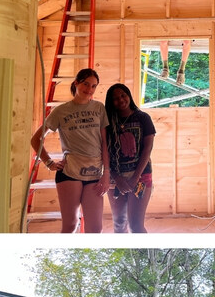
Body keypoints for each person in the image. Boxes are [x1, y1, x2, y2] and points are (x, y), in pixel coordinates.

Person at [31, 67, 110, 233]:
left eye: (93, 86)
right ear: (76, 83)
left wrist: (106, 173)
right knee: (70, 226)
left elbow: (105, 143)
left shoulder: (99, 109)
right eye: (86, 84)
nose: (89, 89)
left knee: (95, 229)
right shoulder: (60, 111)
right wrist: (49, 162)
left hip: (95, 174)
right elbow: (35, 139)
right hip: (69, 174)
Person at [105, 83, 156, 233]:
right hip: (115, 179)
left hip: (140, 177)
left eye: (123, 95)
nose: (120, 100)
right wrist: (116, 177)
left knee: (136, 226)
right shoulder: (107, 122)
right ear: (110, 102)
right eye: (115, 98)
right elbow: (104, 152)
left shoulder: (143, 118)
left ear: (129, 96)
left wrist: (135, 177)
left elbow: (148, 149)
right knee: (119, 224)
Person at [160, 0, 192, 84]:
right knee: (163, 41)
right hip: (169, 25)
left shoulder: (186, 0)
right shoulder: (166, 0)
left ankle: (181, 70)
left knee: (187, 41)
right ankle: (165, 67)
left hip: (183, 25)